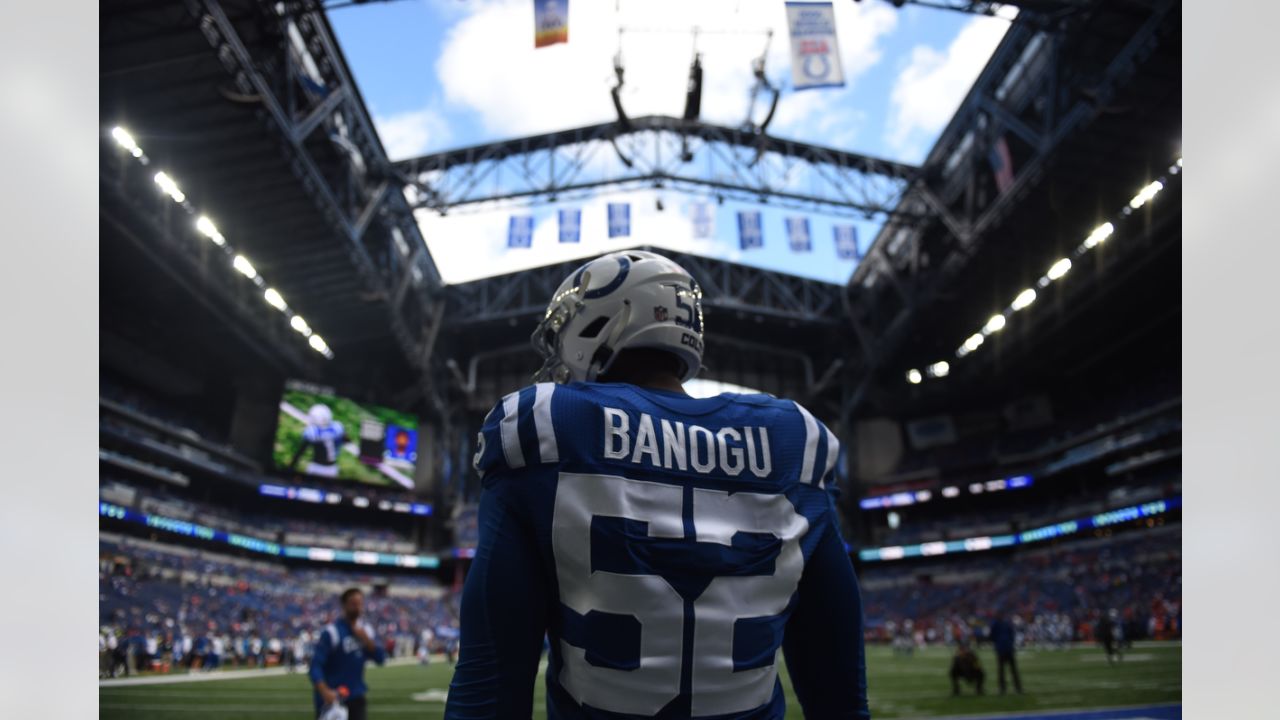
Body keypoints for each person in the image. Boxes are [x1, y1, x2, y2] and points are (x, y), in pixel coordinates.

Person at [443, 251, 870, 719]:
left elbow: (489, 686)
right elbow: (838, 689)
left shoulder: (547, 427)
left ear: (600, 323)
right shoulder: (796, 441)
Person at [309, 588, 387, 720]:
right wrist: (324, 691)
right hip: (332, 697)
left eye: (360, 603)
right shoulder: (332, 632)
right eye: (353, 603)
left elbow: (381, 659)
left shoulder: (366, 630)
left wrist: (366, 639)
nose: (357, 608)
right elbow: (315, 666)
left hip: (356, 696)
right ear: (344, 605)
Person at [290, 404, 346, 478]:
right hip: (332, 469)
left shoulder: (312, 432)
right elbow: (346, 442)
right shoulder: (337, 428)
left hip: (316, 467)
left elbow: (300, 452)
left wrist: (290, 467)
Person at [989, 613, 1023, 695]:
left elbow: (992, 636)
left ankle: (1002, 688)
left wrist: (996, 643)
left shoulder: (995, 624)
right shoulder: (1007, 624)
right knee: (1013, 670)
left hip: (1001, 649)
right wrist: (1010, 644)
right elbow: (1012, 635)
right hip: (1009, 648)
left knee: (1002, 670)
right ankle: (1018, 688)